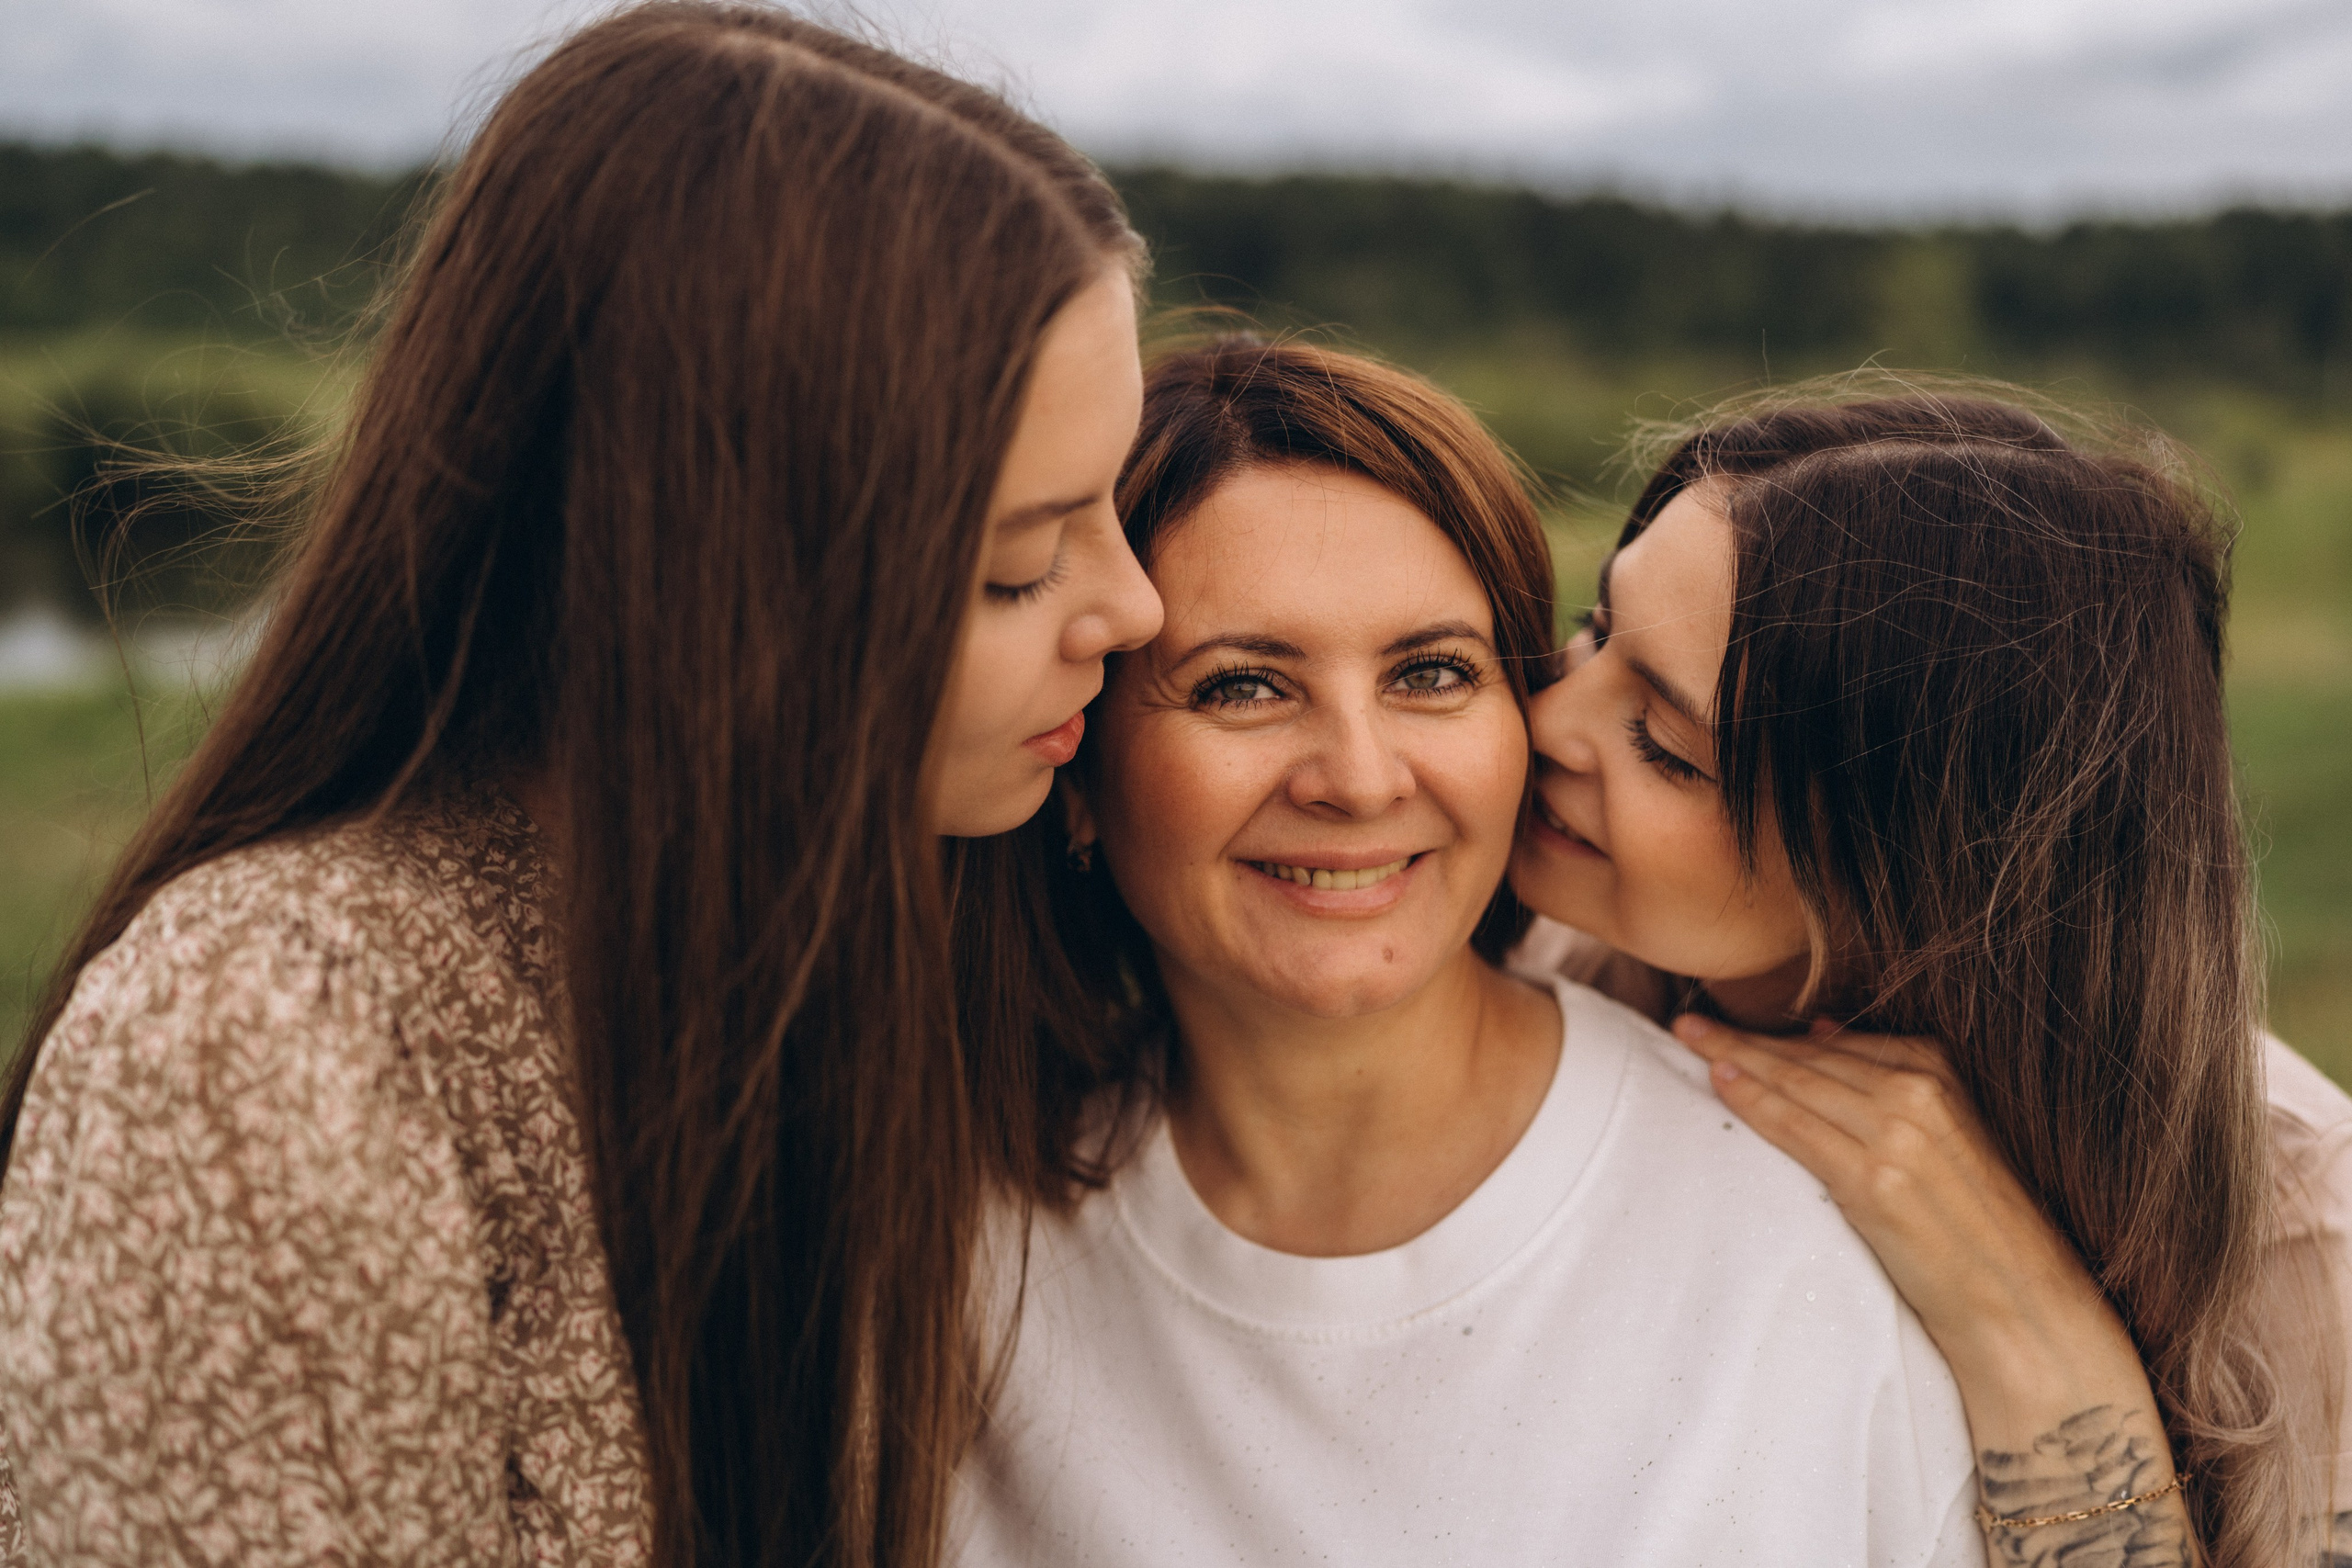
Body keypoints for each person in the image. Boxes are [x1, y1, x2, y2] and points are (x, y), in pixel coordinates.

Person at [0, 6, 1159, 1564]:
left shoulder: (831, 937)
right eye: (1022, 566)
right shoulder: (268, 1049)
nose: (1132, 610)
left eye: (1113, 511)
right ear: (723, 583)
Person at [954, 337, 1988, 1566]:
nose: (1358, 777)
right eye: (1242, 687)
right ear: (1073, 764)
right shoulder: (941, 1254)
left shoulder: (1808, 1242)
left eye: (1433, 673)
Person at [1505, 382, 2347, 1567]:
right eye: (1596, 631)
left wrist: (2037, 1334)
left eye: (1664, 744)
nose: (1546, 717)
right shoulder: (1533, 997)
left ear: (1919, 864)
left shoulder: (2301, 1237)